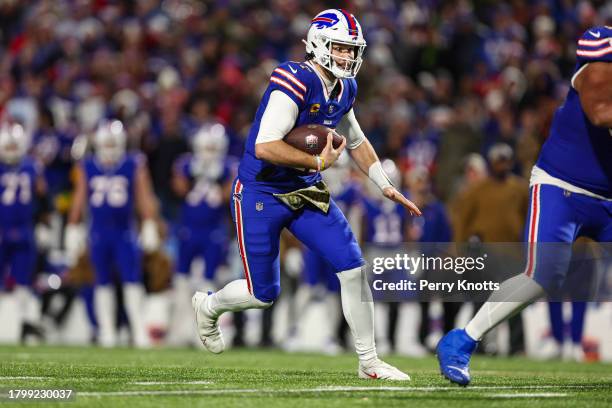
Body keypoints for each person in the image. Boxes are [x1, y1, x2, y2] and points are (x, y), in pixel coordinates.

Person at [192, 9, 421, 380]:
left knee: (353, 267)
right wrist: (316, 162)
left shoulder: (344, 87)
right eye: (341, 48)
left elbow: (356, 140)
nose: (348, 57)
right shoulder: (294, 79)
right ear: (319, 45)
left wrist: (385, 185)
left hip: (303, 190)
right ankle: (210, 306)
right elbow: (266, 145)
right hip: (261, 191)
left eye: (352, 49)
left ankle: (369, 363)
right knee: (262, 294)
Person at [437, 26, 612, 385]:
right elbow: (600, 112)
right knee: (543, 275)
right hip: (563, 185)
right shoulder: (601, 43)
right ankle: (461, 340)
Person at [65, 120, 160, 348]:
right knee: (101, 282)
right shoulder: (87, 165)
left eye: (112, 143)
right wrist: (72, 225)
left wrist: (148, 222)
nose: (109, 147)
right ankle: (106, 331)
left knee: (132, 280)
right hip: (98, 233)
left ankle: (138, 330)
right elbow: (79, 198)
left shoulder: (133, 163)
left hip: (124, 232)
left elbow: (143, 195)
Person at [168, 122, 234, 345]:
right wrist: (199, 176)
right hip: (188, 228)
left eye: (213, 148)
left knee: (208, 281)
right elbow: (177, 185)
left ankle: (204, 332)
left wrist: (218, 184)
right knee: (181, 280)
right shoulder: (187, 163)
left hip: (213, 231)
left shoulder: (227, 166)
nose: (209, 153)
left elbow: (232, 189)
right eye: (206, 148)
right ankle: (179, 330)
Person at [0, 122, 47, 341]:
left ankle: (22, 324)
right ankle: (16, 323)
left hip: (22, 230)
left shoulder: (32, 167)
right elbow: (43, 196)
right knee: (20, 282)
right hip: (12, 230)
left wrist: (45, 221)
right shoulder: (32, 166)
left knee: (23, 281)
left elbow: (42, 195)